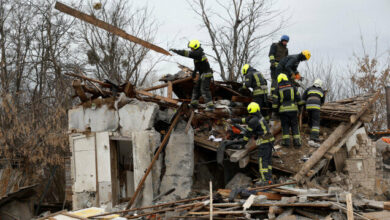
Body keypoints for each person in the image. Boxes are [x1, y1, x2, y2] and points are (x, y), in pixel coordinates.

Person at [229, 102, 275, 185]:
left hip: (264, 142)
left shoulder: (253, 121)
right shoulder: (259, 116)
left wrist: (242, 144)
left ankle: (265, 180)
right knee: (268, 160)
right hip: (269, 140)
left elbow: (248, 134)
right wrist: (234, 120)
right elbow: (246, 120)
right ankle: (269, 178)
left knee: (262, 161)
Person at [170, 40, 214, 111]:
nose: (191, 49)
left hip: (206, 74)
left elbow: (187, 53)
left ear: (195, 47)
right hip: (202, 73)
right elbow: (198, 65)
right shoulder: (197, 54)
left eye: (192, 48)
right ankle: (194, 103)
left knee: (204, 89)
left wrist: (176, 51)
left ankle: (210, 106)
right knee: (196, 88)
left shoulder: (198, 53)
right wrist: (194, 72)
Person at [272, 74, 305, 148]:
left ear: (279, 80)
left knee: (285, 126)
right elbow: (298, 99)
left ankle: (286, 142)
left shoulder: (277, 88)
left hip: (283, 111)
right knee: (294, 126)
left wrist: (276, 111)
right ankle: (297, 143)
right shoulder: (293, 87)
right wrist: (299, 108)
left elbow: (275, 103)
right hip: (293, 110)